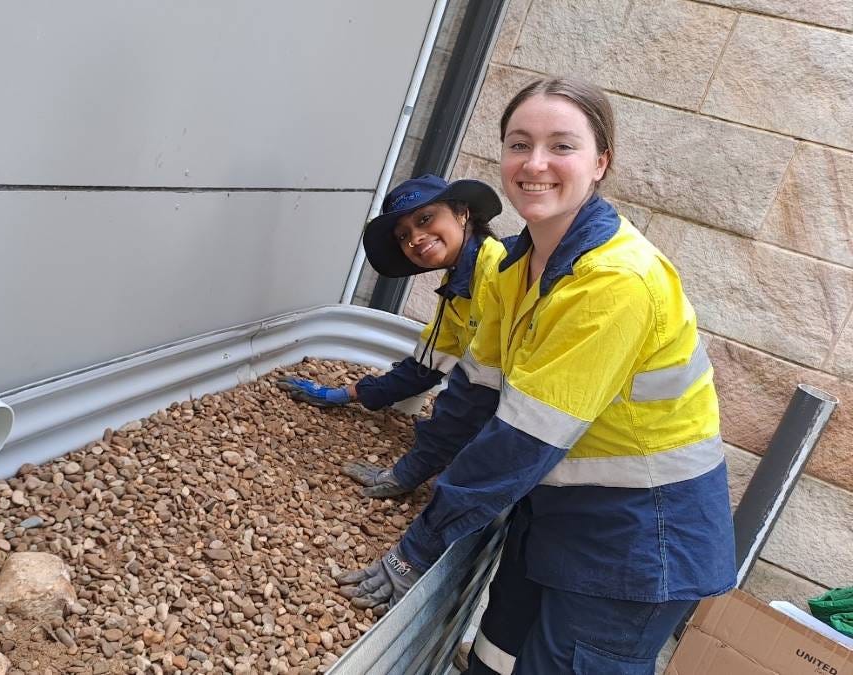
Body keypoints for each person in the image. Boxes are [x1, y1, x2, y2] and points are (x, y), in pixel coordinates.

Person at [337, 76, 736, 674]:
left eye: (562, 146)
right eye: (519, 144)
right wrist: (409, 473)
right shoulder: (512, 266)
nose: (536, 163)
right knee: (495, 658)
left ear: (601, 162)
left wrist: (418, 547)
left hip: (639, 538)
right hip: (554, 510)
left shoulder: (614, 281)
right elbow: (474, 394)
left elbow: (521, 439)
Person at [278, 174, 506, 498]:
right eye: (403, 235)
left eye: (425, 218)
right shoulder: (458, 289)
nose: (415, 238)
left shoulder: (499, 276)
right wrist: (342, 395)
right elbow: (423, 370)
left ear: (462, 211)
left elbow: (473, 398)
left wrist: (408, 472)